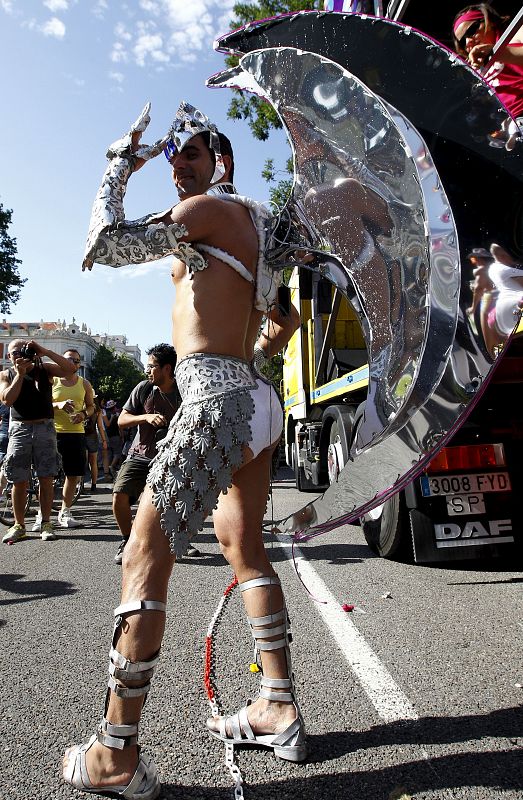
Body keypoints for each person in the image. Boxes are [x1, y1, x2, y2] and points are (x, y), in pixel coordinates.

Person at [63, 102, 304, 799]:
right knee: (243, 547)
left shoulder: (210, 209)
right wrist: (257, 354)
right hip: (252, 395)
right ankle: (276, 705)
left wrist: (118, 163)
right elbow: (280, 319)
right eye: (171, 157)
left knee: (143, 555)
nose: (177, 165)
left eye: (190, 153)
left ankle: (114, 755)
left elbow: (104, 243)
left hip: (219, 398)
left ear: (220, 162)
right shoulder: (262, 226)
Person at [112, 343, 196, 565]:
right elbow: (122, 420)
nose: (147, 371)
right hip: (141, 454)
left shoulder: (184, 392)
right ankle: (127, 540)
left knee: (179, 502)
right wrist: (145, 417)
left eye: (151, 366)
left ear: (167, 369)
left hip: (174, 457)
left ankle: (180, 539)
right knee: (119, 497)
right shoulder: (144, 389)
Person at [0, 340, 75, 543]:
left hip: (45, 427)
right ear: (9, 357)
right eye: (16, 352)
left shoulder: (45, 369)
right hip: (20, 428)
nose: (21, 355)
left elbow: (70, 370)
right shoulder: (6, 375)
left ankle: (46, 523)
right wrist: (20, 375)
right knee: (19, 479)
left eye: (26, 351)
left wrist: (45, 351)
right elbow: (7, 400)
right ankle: (19, 525)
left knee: (46, 477)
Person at [452, 4, 523, 145]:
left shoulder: (516, 33)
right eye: (462, 41)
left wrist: (496, 53)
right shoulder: (478, 72)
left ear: (488, 23)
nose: (468, 42)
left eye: (471, 30)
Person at [42, 349, 95, 530]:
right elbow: (41, 403)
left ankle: (65, 511)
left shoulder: (84, 383)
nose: (73, 363)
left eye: (77, 360)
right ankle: (44, 513)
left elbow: (91, 407)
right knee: (47, 475)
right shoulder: (52, 380)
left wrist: (83, 415)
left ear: (79, 365)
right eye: (68, 359)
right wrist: (59, 405)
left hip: (76, 433)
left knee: (73, 475)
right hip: (52, 432)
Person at [85, 395, 107, 492]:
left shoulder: (82, 407)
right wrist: (104, 440)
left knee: (82, 461)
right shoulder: (98, 410)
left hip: (81, 436)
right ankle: (93, 485)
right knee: (93, 462)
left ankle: (79, 486)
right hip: (92, 437)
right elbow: (100, 427)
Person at [104, 399, 123, 478]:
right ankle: (112, 466)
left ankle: (109, 468)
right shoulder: (116, 415)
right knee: (117, 452)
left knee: (110, 453)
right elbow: (120, 426)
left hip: (108, 436)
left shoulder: (106, 414)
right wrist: (122, 435)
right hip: (115, 435)